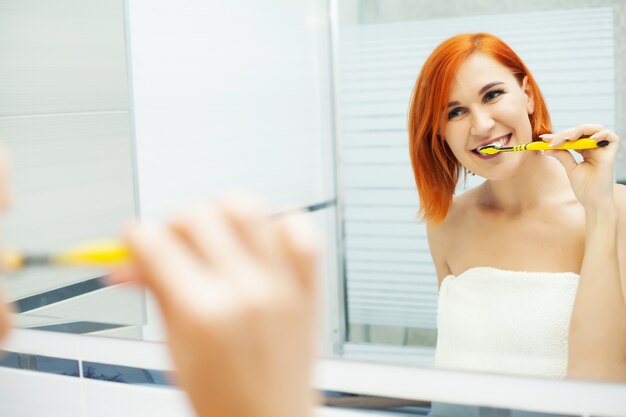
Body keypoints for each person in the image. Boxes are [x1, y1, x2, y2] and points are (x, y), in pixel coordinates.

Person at [408, 33, 626, 380]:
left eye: (493, 95)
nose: (481, 125)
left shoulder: (615, 209)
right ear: (440, 134)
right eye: (455, 112)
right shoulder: (445, 222)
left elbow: (600, 383)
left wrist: (599, 212)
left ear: (526, 95)